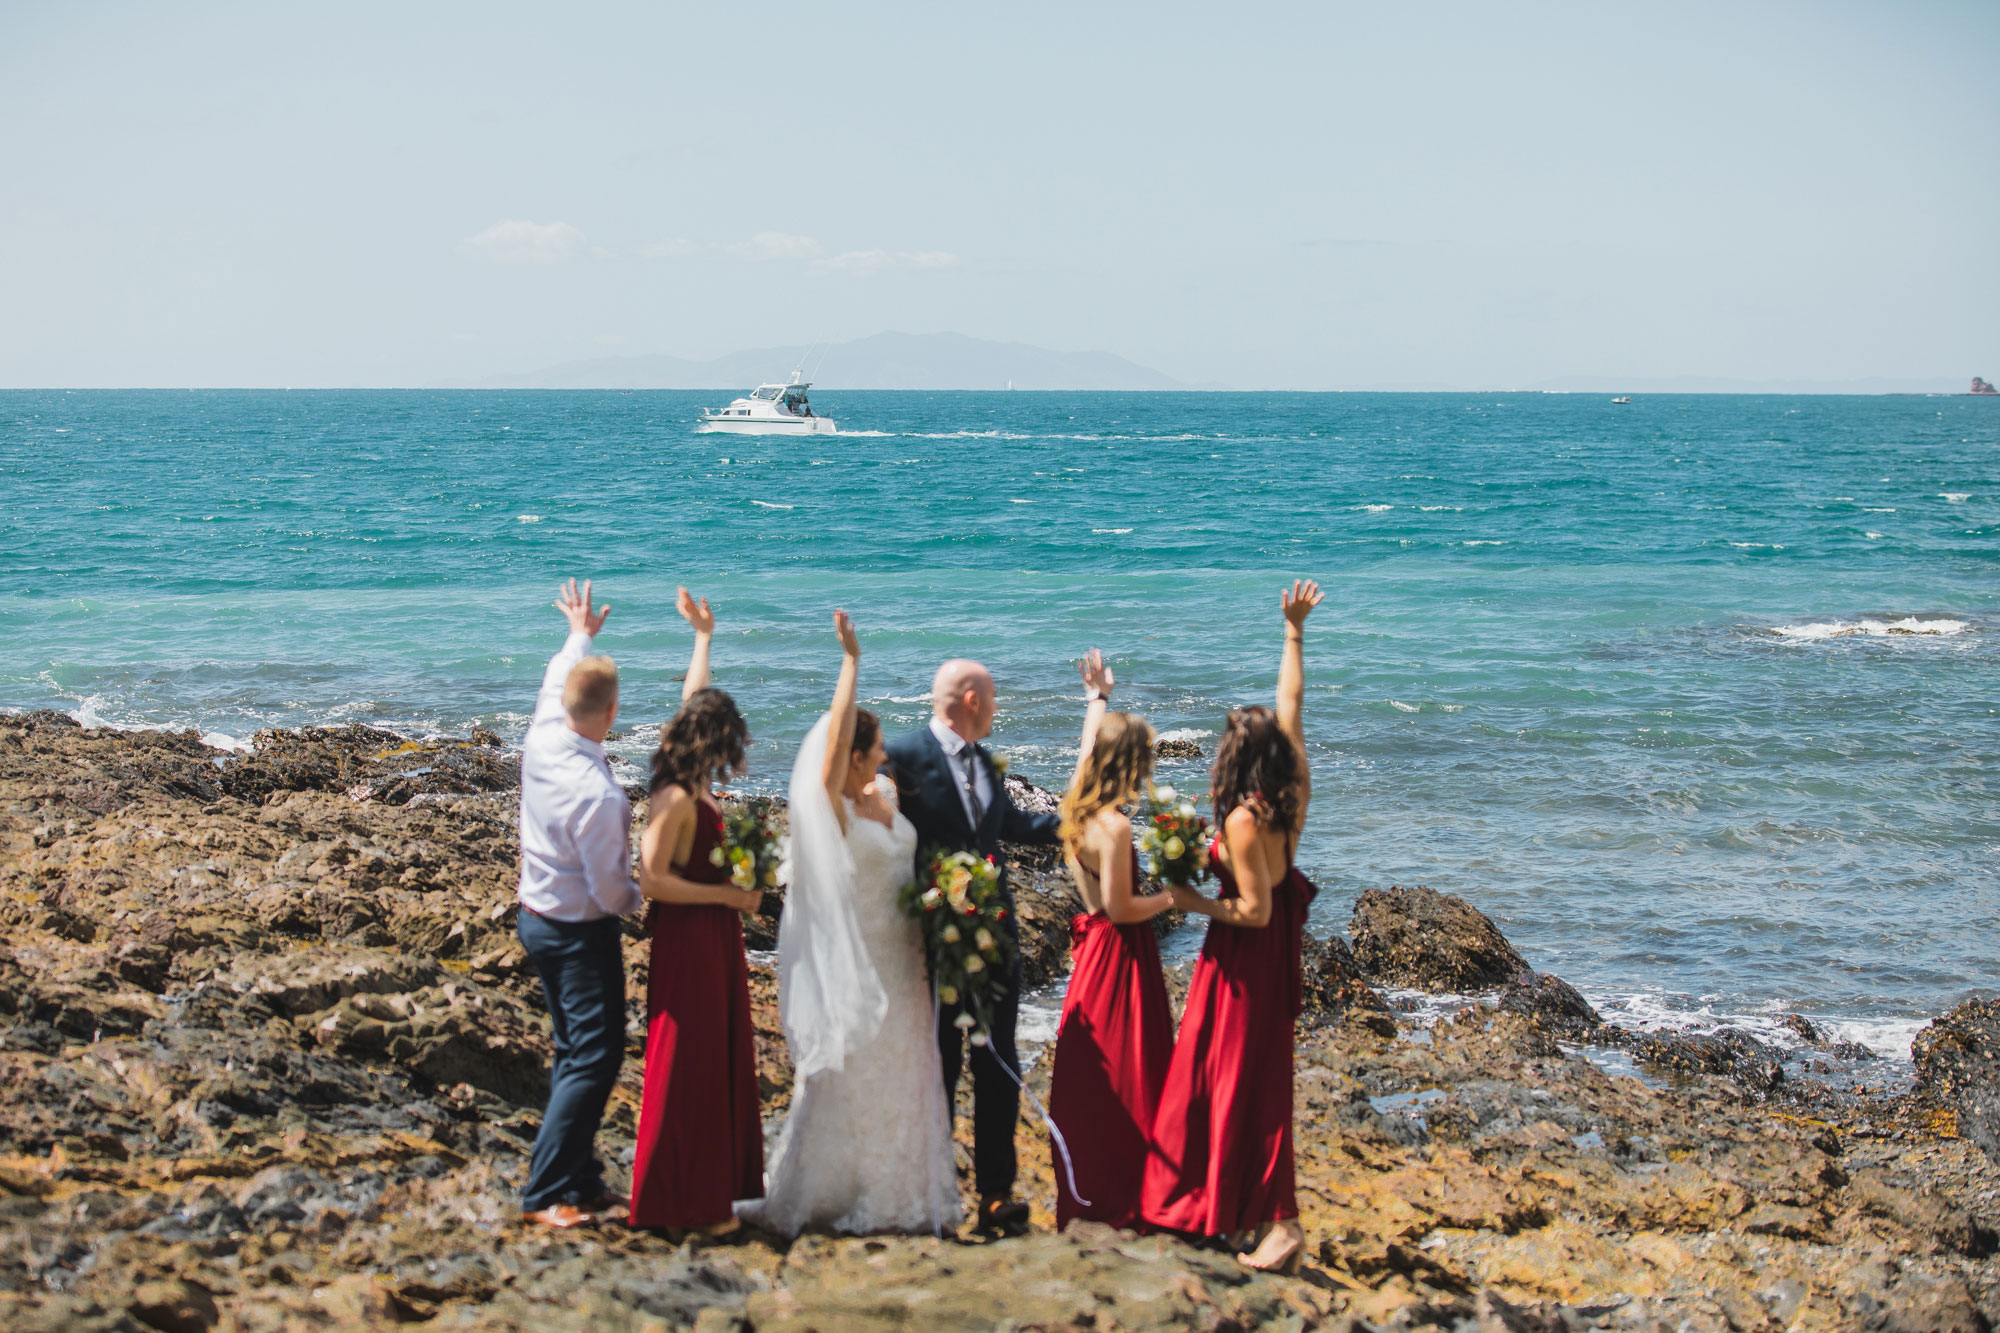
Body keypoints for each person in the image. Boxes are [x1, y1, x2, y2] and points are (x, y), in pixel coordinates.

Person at [743, 611, 960, 1236]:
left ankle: (905, 1189)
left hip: (908, 959)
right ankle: (840, 1189)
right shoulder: (833, 814)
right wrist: (851, 663)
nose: (886, 753)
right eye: (875, 746)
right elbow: (834, 744)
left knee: (909, 1066)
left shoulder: (884, 797)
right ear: (852, 755)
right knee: (860, 1069)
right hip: (862, 958)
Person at [1142, 579, 1324, 1274]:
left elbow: (1256, 909)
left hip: (1246, 956)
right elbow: (1294, 707)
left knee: (1243, 1083)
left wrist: (1194, 905)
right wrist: (1293, 632)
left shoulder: (1247, 821)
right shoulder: (1291, 793)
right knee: (1238, 1080)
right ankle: (1237, 1212)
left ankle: (1281, 1225)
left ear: (1236, 758)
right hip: (1264, 959)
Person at [885, 658, 1061, 1236]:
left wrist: (1073, 823)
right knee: (937, 1061)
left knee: (998, 1061)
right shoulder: (903, 756)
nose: (998, 707)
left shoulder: (985, 761)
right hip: (931, 939)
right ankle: (932, 1189)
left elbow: (1009, 826)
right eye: (992, 697)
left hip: (995, 937)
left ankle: (994, 1193)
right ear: (969, 699)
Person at [628, 588, 765, 1234]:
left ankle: (706, 1195)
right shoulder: (678, 796)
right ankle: (673, 1198)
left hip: (713, 936)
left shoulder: (689, 776)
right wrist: (727, 896)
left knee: (710, 1060)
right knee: (684, 1060)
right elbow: (651, 879)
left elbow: (693, 696)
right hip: (690, 938)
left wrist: (704, 636)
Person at [515, 578, 643, 1230]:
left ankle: (582, 1177)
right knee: (594, 1056)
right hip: (574, 931)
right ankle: (545, 1190)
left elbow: (558, 671)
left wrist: (579, 631)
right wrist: (647, 896)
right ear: (613, 712)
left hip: (535, 915)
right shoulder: (598, 796)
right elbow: (611, 891)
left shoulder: (543, 733)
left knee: (574, 1050)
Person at [1047, 648, 1177, 1231]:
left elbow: (1083, 755)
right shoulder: (1117, 827)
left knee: (1092, 1083)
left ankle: (1087, 1195)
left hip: (1090, 957)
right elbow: (1125, 909)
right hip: (1123, 956)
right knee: (1135, 1074)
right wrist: (1181, 897)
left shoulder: (1079, 806)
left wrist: (1097, 700)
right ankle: (1134, 1197)